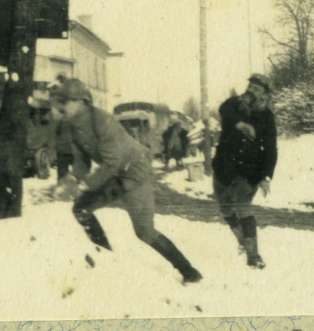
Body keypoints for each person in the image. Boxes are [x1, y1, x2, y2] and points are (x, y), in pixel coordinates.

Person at [52, 78, 202, 284]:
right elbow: (82, 163)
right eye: (60, 101)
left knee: (145, 232)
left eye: (66, 101)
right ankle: (106, 259)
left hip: (136, 173)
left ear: (82, 102)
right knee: (81, 209)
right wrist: (71, 179)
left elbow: (112, 163)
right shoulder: (72, 127)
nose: (61, 107)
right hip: (115, 174)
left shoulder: (102, 121)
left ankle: (190, 272)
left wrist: (84, 186)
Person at [212, 73, 278, 269]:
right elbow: (224, 111)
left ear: (266, 93)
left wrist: (266, 176)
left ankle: (253, 255)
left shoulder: (267, 116)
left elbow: (271, 149)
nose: (251, 90)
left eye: (257, 89)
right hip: (224, 167)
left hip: (249, 171)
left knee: (243, 208)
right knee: (224, 207)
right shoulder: (233, 104)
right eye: (251, 86)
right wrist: (240, 124)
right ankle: (241, 240)